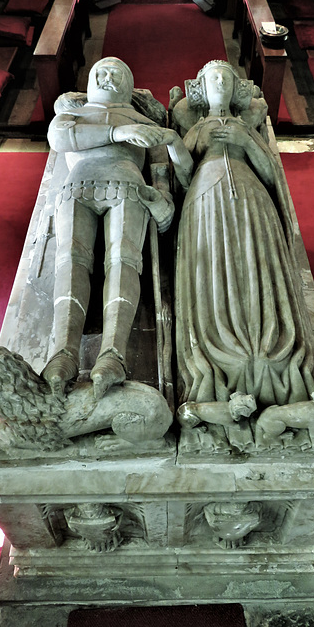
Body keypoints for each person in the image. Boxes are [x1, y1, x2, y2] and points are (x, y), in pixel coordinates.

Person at [174, 60, 314, 410]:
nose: (220, 81)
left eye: (227, 76)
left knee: (257, 266)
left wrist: (247, 141)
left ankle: (267, 346)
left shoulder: (247, 125)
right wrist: (174, 145)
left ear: (237, 88)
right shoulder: (194, 127)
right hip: (205, 202)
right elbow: (181, 176)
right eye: (213, 78)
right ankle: (226, 351)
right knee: (213, 271)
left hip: (251, 197)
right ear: (202, 89)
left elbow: (272, 176)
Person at [44, 57, 191, 399]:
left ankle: (113, 355)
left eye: (117, 74)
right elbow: (60, 137)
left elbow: (160, 167)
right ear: (90, 82)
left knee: (124, 261)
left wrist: (162, 199)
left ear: (129, 84)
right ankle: (62, 353)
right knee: (70, 259)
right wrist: (118, 132)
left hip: (127, 186)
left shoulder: (141, 118)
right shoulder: (75, 113)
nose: (109, 78)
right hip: (77, 185)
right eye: (101, 73)